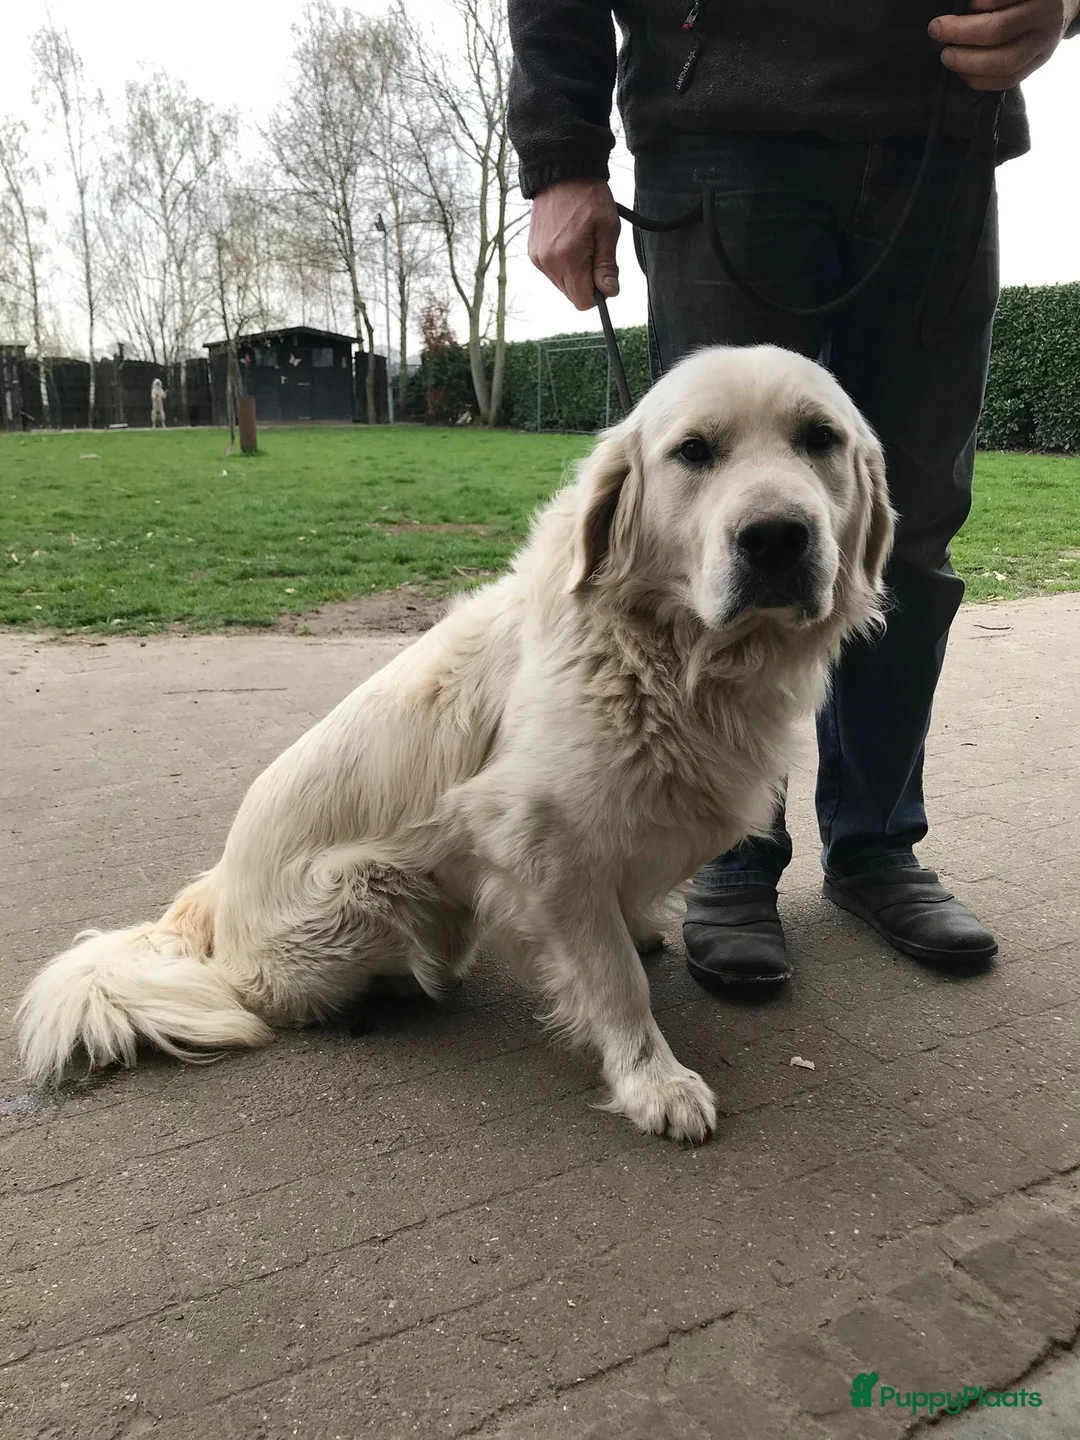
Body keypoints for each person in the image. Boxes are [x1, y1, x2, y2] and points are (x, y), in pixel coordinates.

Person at [507, 1, 1079, 989]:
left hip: (941, 133)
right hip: (722, 124)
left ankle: (876, 846)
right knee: (708, 541)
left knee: (913, 530)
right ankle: (727, 862)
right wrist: (561, 153)